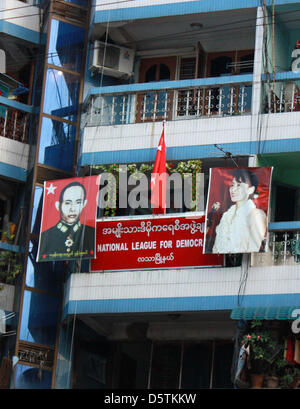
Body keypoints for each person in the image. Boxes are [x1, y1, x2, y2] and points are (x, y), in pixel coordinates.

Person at [212, 169, 267, 254]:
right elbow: (215, 248)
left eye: (239, 185)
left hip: (246, 263)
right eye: (233, 185)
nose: (233, 189)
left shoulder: (256, 214)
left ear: (250, 190)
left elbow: (254, 247)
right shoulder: (226, 216)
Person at [38, 181, 95, 261]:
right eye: (68, 203)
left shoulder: (92, 233)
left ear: (84, 204)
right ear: (58, 206)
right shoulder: (46, 236)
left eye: (78, 202)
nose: (73, 209)